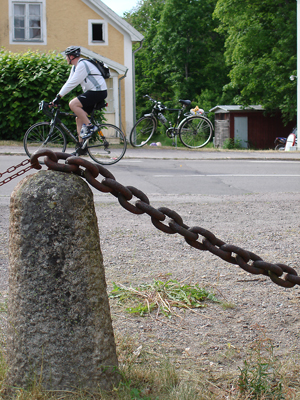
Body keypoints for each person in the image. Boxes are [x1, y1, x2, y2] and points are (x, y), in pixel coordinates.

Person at [51, 46, 107, 152]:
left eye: (66, 57)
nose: (66, 59)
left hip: (98, 91)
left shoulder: (82, 65)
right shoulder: (75, 67)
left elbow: (73, 83)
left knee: (73, 104)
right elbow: (69, 82)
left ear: (71, 56)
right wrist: (57, 97)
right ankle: (82, 147)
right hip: (93, 91)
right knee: (79, 119)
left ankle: (90, 127)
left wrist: (59, 97)